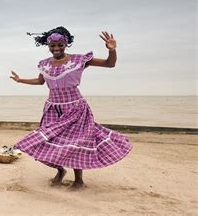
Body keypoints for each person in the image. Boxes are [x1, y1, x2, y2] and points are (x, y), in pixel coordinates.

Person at [10, 26, 132, 189]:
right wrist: (20, 80)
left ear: (66, 43)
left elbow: (110, 64)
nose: (56, 48)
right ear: (48, 46)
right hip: (53, 109)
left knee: (76, 143)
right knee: (46, 141)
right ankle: (60, 171)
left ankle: (79, 180)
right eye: (52, 45)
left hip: (76, 108)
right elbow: (40, 82)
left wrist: (112, 50)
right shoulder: (44, 64)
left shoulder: (79, 60)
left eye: (60, 44)